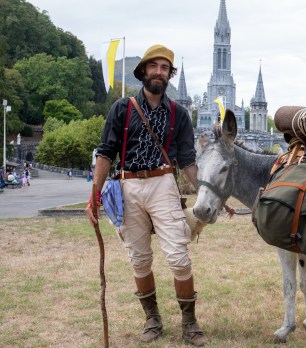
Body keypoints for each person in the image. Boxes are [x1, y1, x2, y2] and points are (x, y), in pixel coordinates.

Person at [85, 44, 205, 346]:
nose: (159, 73)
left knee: (179, 257)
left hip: (163, 182)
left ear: (169, 75)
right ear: (144, 71)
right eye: (154, 67)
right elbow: (106, 153)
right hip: (127, 186)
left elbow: (188, 159)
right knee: (139, 260)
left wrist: (206, 193)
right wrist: (94, 195)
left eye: (165, 68)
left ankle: (189, 322)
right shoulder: (122, 108)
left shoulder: (179, 114)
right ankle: (152, 318)